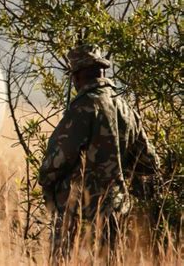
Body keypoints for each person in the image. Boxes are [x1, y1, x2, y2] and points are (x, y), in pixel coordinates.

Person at [38, 44, 160, 262]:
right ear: (102, 71)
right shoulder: (126, 109)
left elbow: (57, 161)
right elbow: (150, 162)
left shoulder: (82, 108)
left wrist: (47, 181)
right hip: (114, 209)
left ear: (77, 76)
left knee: (64, 260)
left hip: (76, 211)